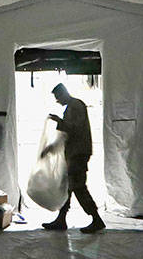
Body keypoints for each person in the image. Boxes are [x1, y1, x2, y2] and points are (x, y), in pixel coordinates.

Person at [42, 83, 104, 233]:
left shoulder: (76, 106)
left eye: (57, 97)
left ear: (64, 94)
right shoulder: (72, 107)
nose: (57, 101)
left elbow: (74, 128)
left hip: (78, 153)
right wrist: (51, 147)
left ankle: (96, 219)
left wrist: (59, 121)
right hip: (74, 153)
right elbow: (67, 132)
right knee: (68, 187)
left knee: (77, 186)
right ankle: (61, 219)